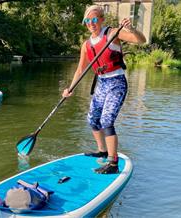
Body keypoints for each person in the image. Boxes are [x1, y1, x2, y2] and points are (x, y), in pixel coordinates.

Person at [62, 5, 146, 174]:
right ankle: (102, 150)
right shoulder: (86, 45)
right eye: (88, 20)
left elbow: (141, 40)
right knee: (93, 119)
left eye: (94, 19)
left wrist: (132, 29)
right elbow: (80, 70)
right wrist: (69, 89)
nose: (91, 23)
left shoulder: (112, 33)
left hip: (117, 83)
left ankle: (113, 163)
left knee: (107, 120)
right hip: (102, 83)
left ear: (101, 19)